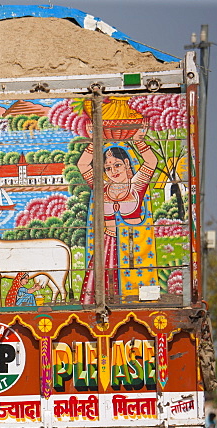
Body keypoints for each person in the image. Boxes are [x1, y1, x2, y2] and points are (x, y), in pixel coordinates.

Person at [78, 125, 159, 304]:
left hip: (131, 246)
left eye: (117, 165)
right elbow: (82, 164)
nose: (113, 171)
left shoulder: (136, 186)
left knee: (132, 295)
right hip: (107, 247)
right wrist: (93, 140)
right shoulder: (102, 187)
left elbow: (151, 162)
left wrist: (139, 141)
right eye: (108, 168)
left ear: (127, 164)